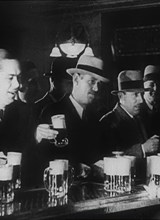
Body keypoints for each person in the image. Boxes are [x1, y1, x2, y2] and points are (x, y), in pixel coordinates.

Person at [23, 55, 109, 187]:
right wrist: (76, 168)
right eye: (92, 82)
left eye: (99, 84)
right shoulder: (52, 112)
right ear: (75, 79)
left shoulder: (94, 117)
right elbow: (44, 160)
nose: (96, 89)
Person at [99, 70, 159, 158]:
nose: (141, 100)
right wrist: (143, 149)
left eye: (142, 94)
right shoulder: (108, 122)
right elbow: (107, 157)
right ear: (121, 96)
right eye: (136, 95)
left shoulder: (140, 119)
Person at [140, 65, 160, 137]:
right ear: (143, 86)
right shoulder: (137, 110)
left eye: (158, 85)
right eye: (151, 85)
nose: (155, 89)